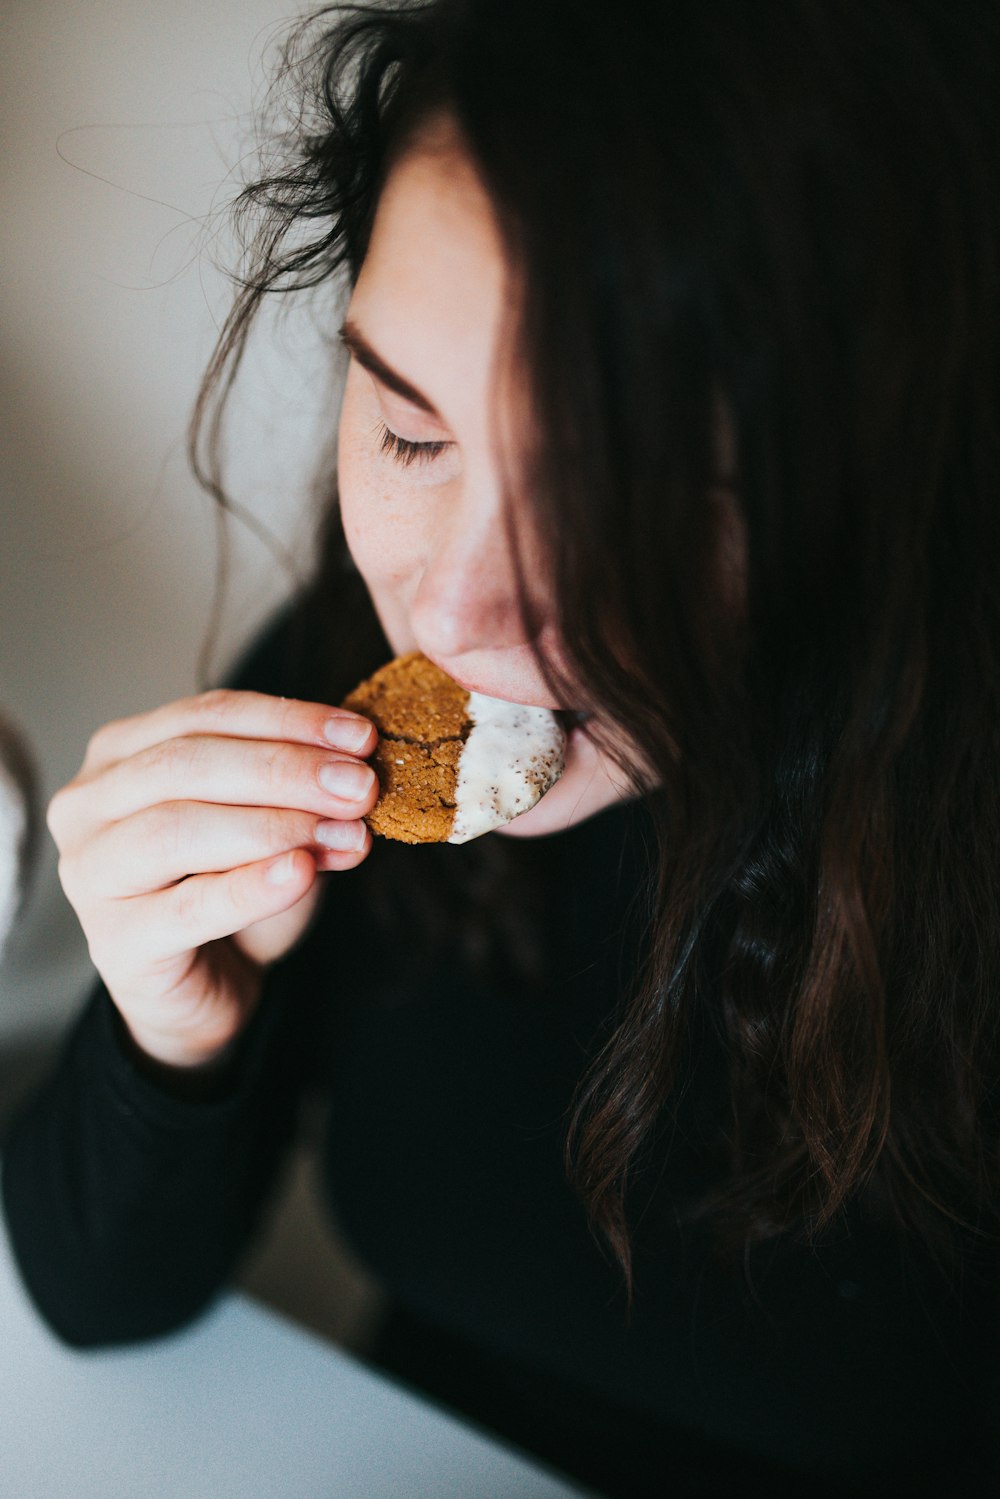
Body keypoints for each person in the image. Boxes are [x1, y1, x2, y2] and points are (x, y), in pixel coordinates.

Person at [3, 1, 999, 1492]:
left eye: (621, 494)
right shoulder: (356, 672)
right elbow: (94, 1305)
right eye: (411, 435)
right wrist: (175, 1031)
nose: (454, 616)